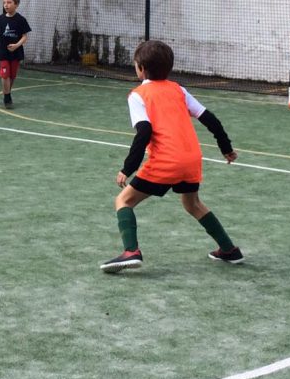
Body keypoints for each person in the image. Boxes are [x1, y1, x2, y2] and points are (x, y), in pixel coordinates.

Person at [100, 40, 242, 273]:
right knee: (192, 203)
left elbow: (144, 131)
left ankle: (131, 251)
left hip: (166, 160)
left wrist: (127, 168)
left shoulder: (138, 95)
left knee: (123, 201)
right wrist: (225, 148)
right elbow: (211, 119)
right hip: (191, 158)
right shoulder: (179, 89)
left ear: (141, 69)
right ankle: (229, 249)